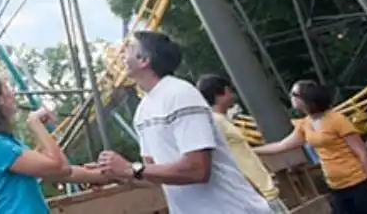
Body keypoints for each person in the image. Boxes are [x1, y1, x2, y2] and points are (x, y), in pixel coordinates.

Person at [96, 31, 272, 213]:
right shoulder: (143, 111)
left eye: (129, 48)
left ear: (144, 60)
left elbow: (197, 169)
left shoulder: (180, 94)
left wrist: (130, 168)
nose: (122, 54)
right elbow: (153, 174)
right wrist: (115, 172)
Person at [0, 72, 112, 214]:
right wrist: (36, 125)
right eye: (6, 87)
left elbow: (59, 172)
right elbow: (61, 167)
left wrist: (103, 174)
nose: (13, 93)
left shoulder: (1, 143)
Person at [254, 80, 367, 214]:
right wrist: (249, 150)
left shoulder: (336, 119)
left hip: (360, 182)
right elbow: (281, 146)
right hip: (336, 186)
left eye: (293, 94)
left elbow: (363, 154)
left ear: (305, 98)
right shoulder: (305, 124)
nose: (290, 97)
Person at [196, 74, 289, 214]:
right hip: (256, 193)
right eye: (231, 91)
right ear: (225, 91)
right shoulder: (215, 122)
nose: (234, 95)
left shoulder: (222, 119)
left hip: (262, 190)